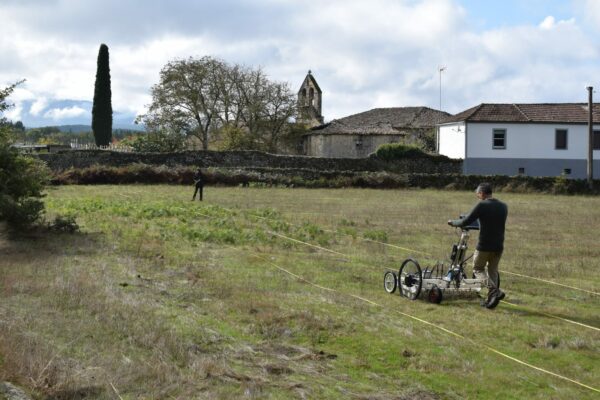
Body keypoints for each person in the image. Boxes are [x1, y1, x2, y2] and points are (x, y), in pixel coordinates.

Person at [448, 182, 508, 309]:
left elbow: (465, 221)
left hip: (484, 245)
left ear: (482, 193)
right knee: (493, 271)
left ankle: (494, 291)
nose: (477, 196)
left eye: (478, 194)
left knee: (478, 269)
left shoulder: (482, 205)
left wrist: (453, 222)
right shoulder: (503, 206)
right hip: (499, 246)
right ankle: (492, 301)